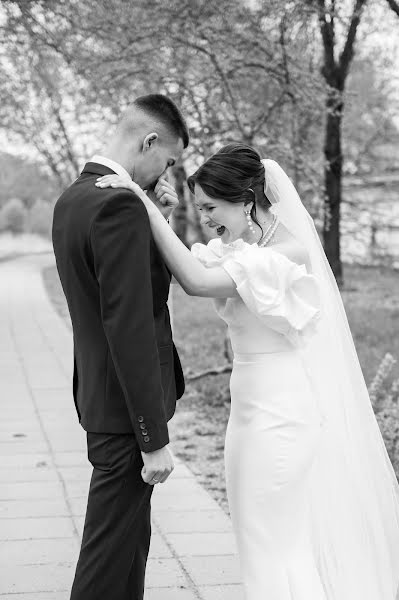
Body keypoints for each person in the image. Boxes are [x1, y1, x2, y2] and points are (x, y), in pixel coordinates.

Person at [96, 142, 399, 600]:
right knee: (263, 540)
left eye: (212, 207)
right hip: (249, 410)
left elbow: (197, 283)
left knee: (273, 543)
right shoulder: (235, 249)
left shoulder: (287, 253)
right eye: (199, 209)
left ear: (247, 200)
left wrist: (143, 205)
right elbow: (182, 267)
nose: (207, 219)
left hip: (282, 411)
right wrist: (165, 213)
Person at [52, 94, 188, 600]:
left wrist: (156, 217)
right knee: (107, 560)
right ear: (148, 141)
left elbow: (120, 289)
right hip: (127, 415)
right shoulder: (120, 203)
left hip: (102, 400)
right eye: (168, 159)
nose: (168, 170)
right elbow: (129, 323)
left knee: (129, 547)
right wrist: (153, 438)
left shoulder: (75, 197)